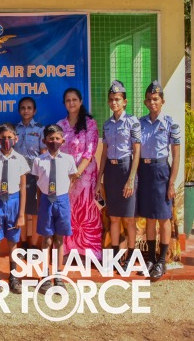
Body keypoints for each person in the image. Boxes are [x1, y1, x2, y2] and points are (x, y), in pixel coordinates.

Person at [137, 80, 180, 280]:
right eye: (149, 99)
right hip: (144, 171)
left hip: (161, 172)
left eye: (156, 99)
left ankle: (162, 261)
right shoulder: (140, 124)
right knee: (149, 218)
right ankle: (151, 260)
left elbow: (176, 156)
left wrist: (172, 182)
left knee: (163, 218)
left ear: (162, 100)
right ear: (145, 102)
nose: (152, 102)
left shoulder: (171, 124)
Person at [97, 80, 141, 271]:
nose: (114, 103)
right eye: (111, 99)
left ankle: (130, 257)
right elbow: (104, 153)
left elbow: (136, 152)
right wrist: (99, 179)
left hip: (126, 169)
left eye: (117, 99)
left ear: (125, 101)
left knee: (129, 218)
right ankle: (115, 257)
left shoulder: (132, 122)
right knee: (114, 217)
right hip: (111, 171)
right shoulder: (107, 124)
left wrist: (131, 178)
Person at [31, 124, 78, 294]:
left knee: (59, 239)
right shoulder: (38, 160)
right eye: (50, 139)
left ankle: (58, 275)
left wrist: (64, 195)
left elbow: (72, 178)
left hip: (62, 200)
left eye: (57, 138)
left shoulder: (68, 159)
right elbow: (38, 184)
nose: (54, 141)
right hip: (45, 200)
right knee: (46, 239)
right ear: (44, 141)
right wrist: (40, 204)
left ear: (63, 141)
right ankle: (45, 275)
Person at [57, 88, 101, 260]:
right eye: (68, 100)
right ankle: (68, 251)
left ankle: (88, 253)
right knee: (68, 212)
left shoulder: (90, 124)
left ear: (81, 101)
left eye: (74, 99)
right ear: (64, 104)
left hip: (85, 177)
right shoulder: (60, 125)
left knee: (86, 212)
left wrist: (76, 174)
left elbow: (89, 152)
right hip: (65, 178)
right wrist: (67, 176)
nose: (71, 103)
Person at [0, 123, 29, 294]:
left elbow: (23, 189)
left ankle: (13, 276)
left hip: (14, 201)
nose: (6, 140)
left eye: (9, 138)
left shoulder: (20, 159)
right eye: (3, 138)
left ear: (15, 139)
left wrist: (21, 214)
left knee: (13, 240)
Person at [14, 97, 46, 254]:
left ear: (34, 111)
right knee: (21, 211)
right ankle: (24, 244)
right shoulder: (14, 129)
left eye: (29, 108)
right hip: (17, 175)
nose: (26, 111)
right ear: (19, 110)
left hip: (34, 175)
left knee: (34, 212)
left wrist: (42, 176)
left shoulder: (40, 130)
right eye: (23, 108)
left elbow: (44, 154)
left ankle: (33, 246)